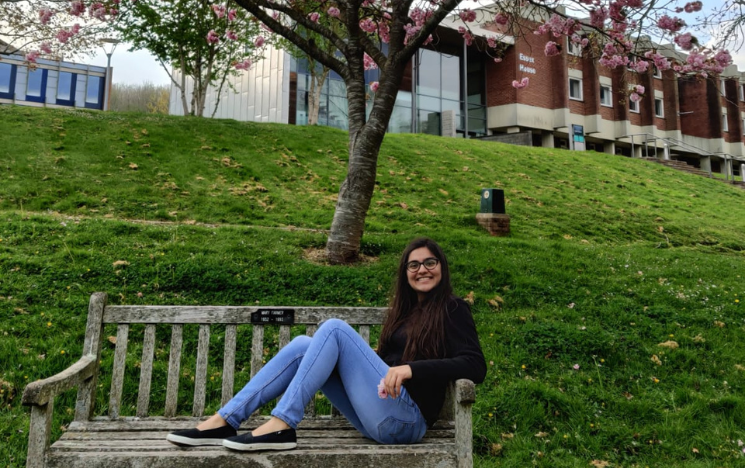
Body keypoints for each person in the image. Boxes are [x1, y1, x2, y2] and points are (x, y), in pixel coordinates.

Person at [166, 237, 486, 451]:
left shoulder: (453, 309)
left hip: (407, 422)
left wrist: (409, 370)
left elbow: (475, 364)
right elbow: (384, 359)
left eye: (430, 262)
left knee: (333, 328)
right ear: (405, 273)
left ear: (442, 268)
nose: (422, 270)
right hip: (380, 413)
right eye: (414, 264)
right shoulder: (404, 314)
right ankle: (225, 420)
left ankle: (282, 424)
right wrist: (373, 363)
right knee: (304, 344)